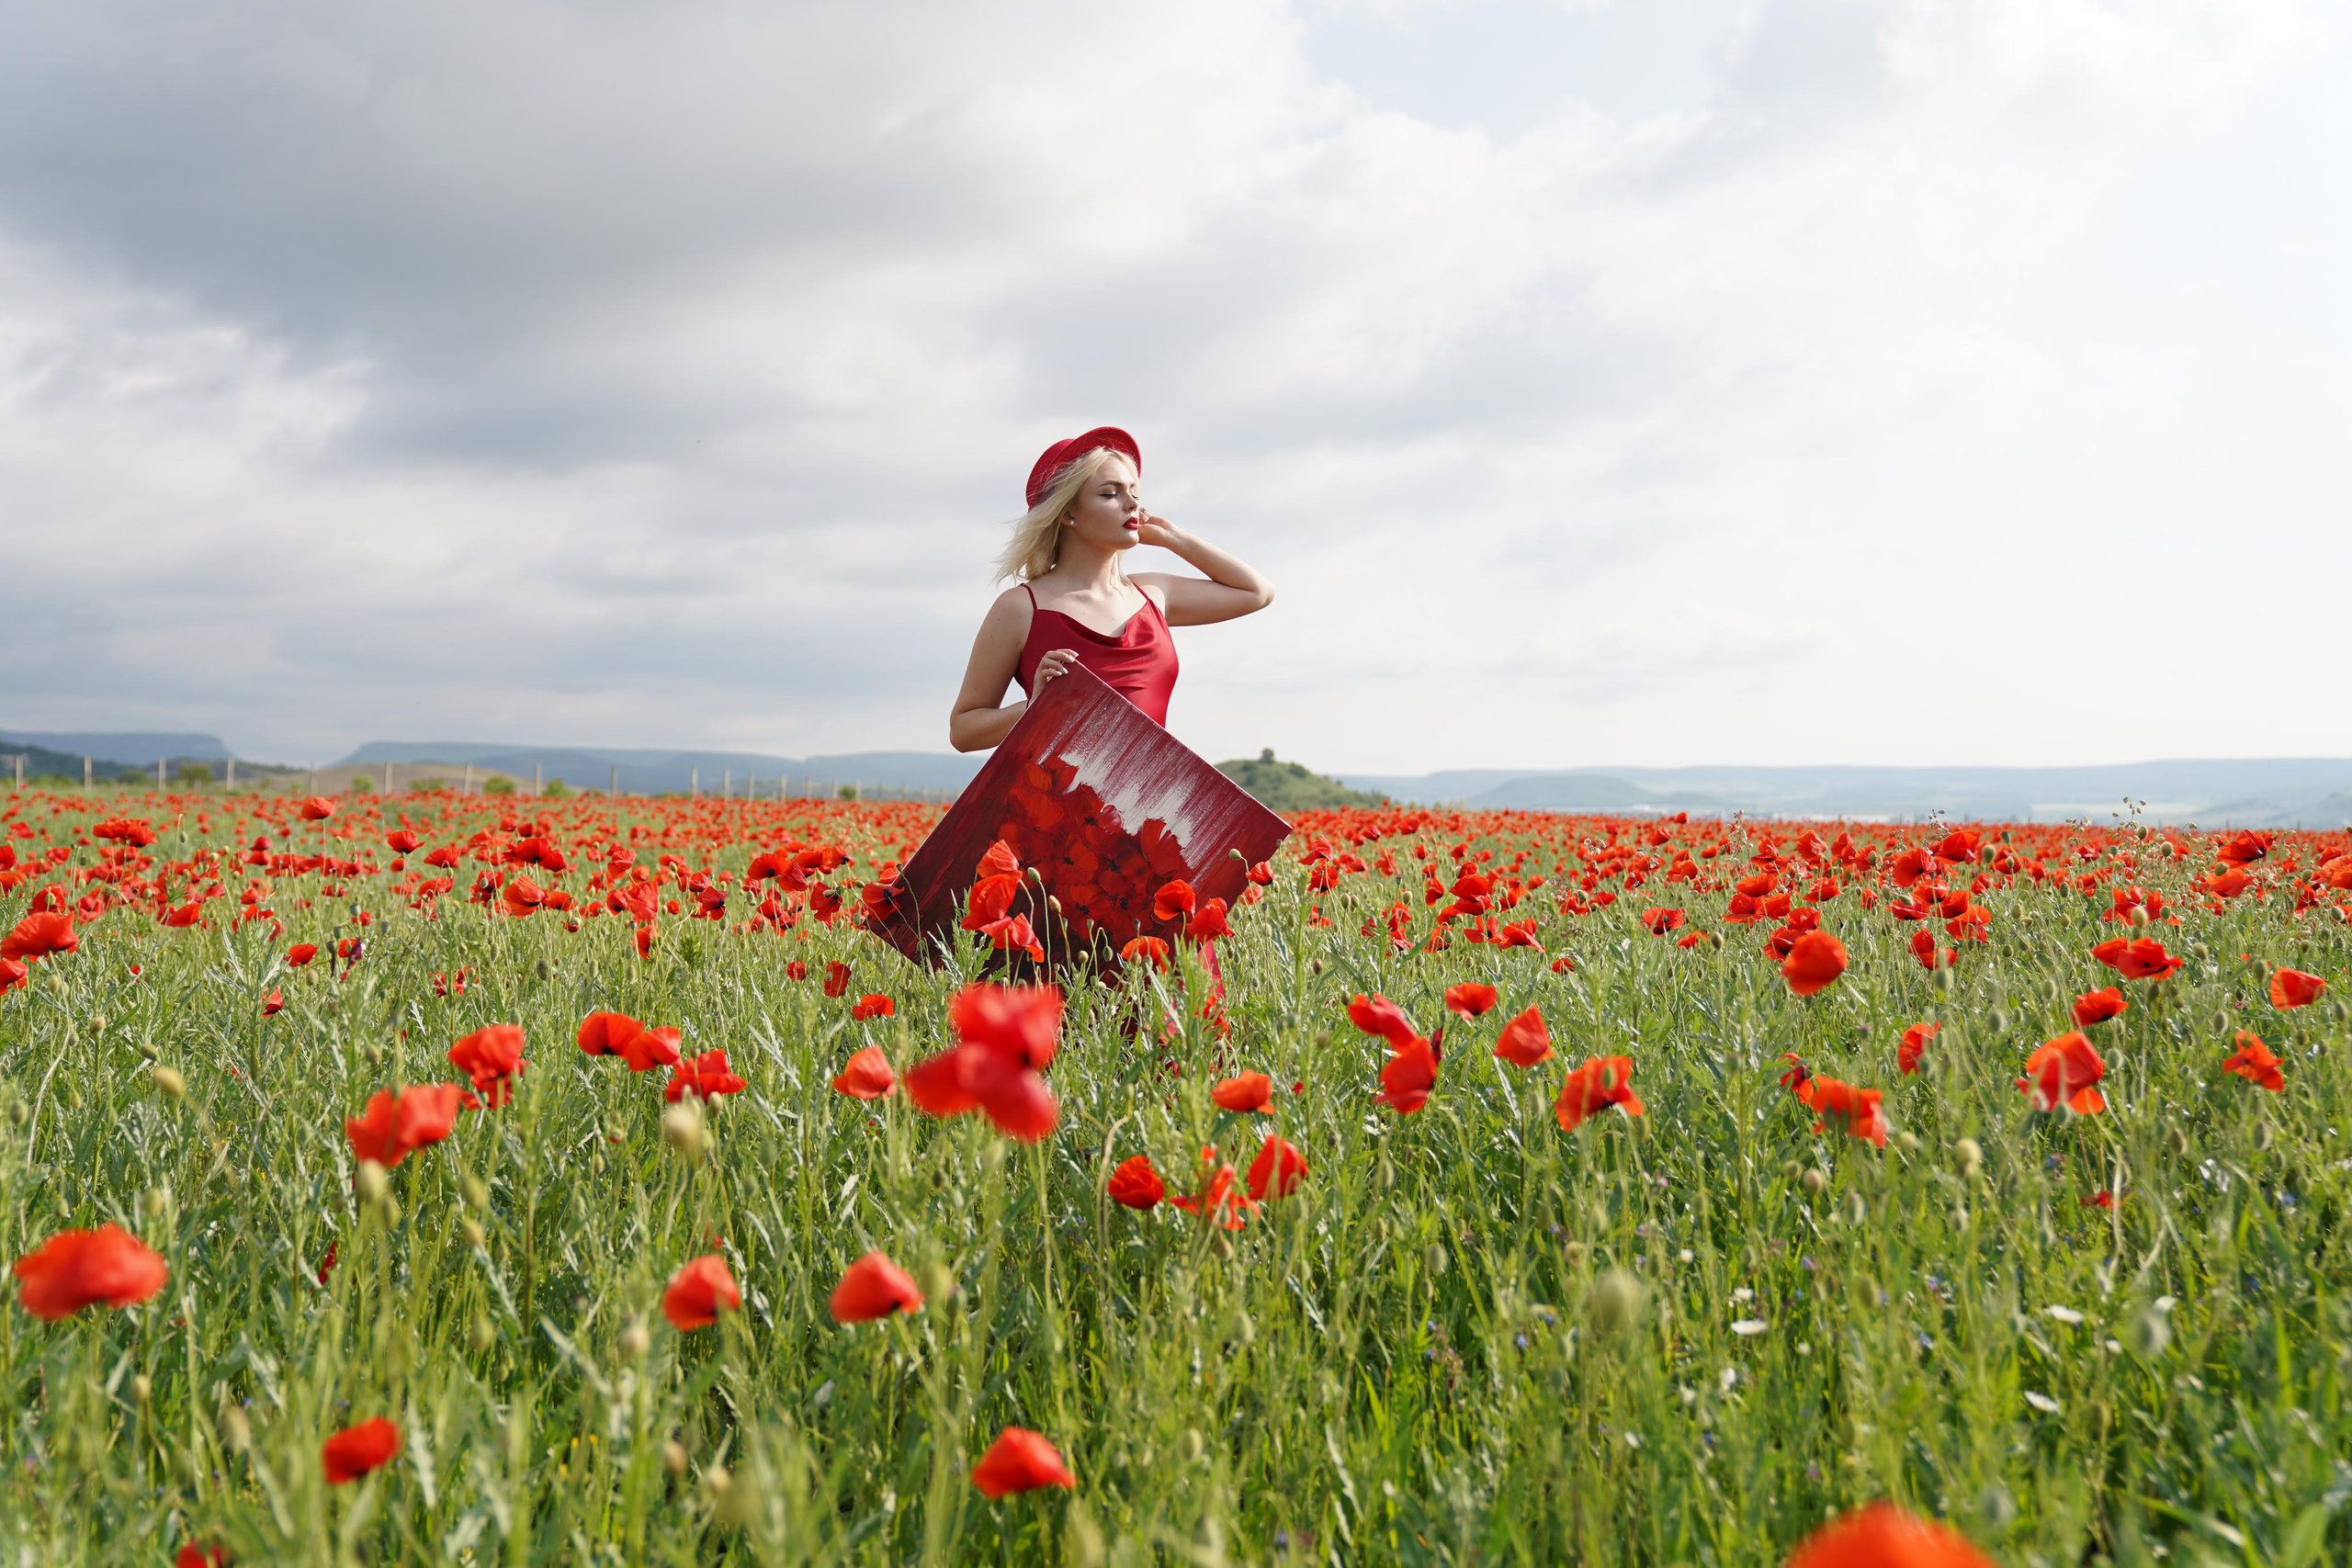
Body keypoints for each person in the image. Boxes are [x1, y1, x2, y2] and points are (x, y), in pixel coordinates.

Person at [949, 427, 1274, 751]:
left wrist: (1172, 536)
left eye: (1135, 493)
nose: (1132, 504)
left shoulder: (1153, 593)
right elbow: (964, 732)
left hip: (1150, 783)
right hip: (1058, 784)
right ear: (1067, 513)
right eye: (1110, 494)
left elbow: (1257, 592)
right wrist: (1037, 706)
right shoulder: (1019, 607)